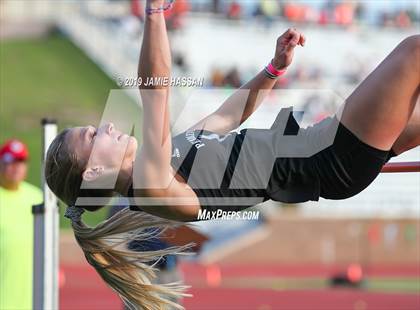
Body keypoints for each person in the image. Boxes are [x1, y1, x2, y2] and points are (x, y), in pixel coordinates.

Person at [44, 0, 419, 308]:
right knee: (413, 51)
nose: (107, 126)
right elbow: (155, 90)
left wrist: (273, 68)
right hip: (332, 153)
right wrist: (154, 12)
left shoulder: (167, 161)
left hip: (326, 146)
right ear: (93, 173)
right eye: (93, 135)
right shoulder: (150, 186)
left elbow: (226, 116)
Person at [0, 139, 43, 310]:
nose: (17, 167)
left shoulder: (36, 197)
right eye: (11, 162)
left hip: (31, 300)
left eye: (21, 162)